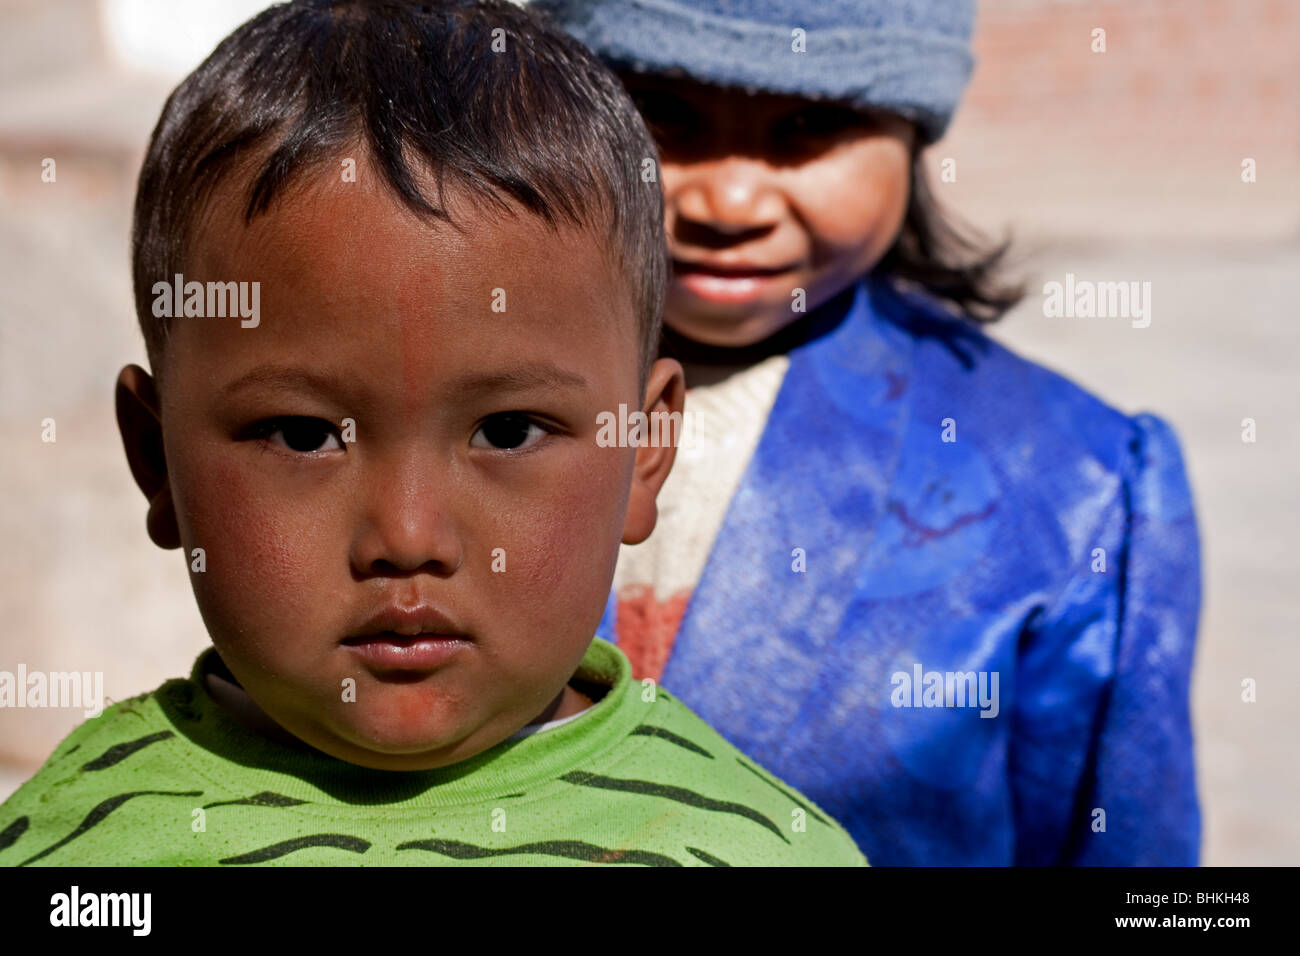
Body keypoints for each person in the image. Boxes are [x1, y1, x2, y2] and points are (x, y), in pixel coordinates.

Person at [0, 0, 865, 868]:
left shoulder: (759, 851)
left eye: (509, 429)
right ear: (155, 460)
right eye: (303, 437)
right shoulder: (76, 850)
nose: (408, 538)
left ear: (643, 447)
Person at [536, 0, 1203, 865]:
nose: (730, 201)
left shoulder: (1073, 486)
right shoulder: (399, 382)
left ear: (914, 136)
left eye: (814, 124)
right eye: (662, 113)